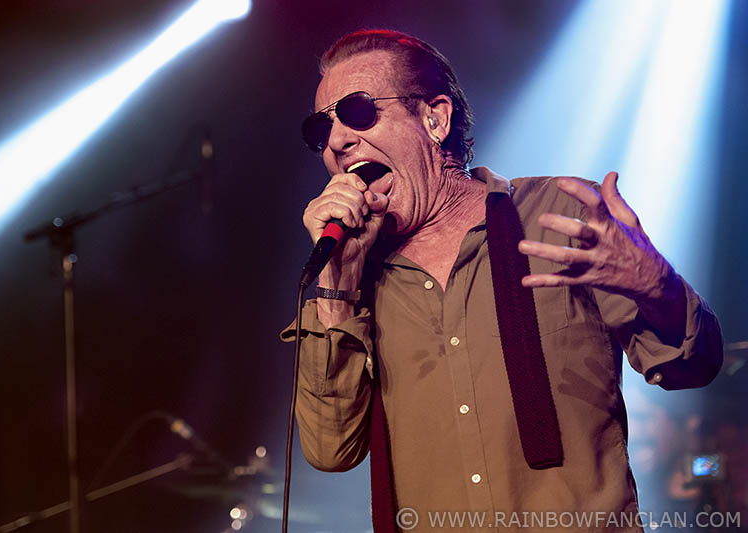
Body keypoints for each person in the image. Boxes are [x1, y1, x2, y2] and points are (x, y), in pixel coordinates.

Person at [281, 29, 723, 532]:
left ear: (435, 118)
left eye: (359, 111)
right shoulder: (355, 281)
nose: (337, 141)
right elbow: (331, 450)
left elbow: (695, 364)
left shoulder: (559, 216)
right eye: (322, 129)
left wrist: (655, 284)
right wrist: (337, 286)